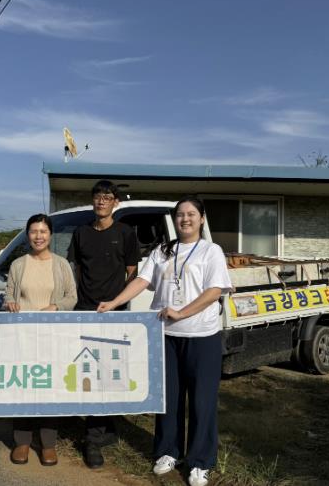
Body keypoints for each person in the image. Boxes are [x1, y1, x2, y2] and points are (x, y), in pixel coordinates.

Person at [98, 196, 232, 486]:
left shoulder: (211, 251)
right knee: (168, 398)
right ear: (174, 219)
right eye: (180, 214)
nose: (185, 219)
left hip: (201, 336)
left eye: (191, 214)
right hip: (166, 335)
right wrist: (114, 302)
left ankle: (200, 461)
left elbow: (214, 291)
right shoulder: (163, 250)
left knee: (202, 401)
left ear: (201, 219)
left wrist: (182, 312)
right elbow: (142, 281)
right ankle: (168, 452)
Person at [66, 179, 141, 469]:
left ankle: (94, 436)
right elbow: (77, 268)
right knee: (88, 371)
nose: (101, 201)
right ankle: (98, 430)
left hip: (113, 312)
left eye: (107, 197)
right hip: (84, 310)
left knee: (109, 372)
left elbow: (132, 271)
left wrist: (116, 301)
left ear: (115, 203)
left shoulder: (125, 233)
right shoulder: (81, 232)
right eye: (98, 196)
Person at [5, 213, 77, 466]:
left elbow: (72, 297)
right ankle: (22, 441)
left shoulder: (61, 264)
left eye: (43, 231)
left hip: (51, 336)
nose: (38, 236)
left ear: (50, 235)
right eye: (34, 231)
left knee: (49, 388)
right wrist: (10, 303)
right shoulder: (18, 265)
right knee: (23, 387)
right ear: (28, 235)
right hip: (23, 337)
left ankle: (48, 443)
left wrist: (56, 307)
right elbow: (9, 295)